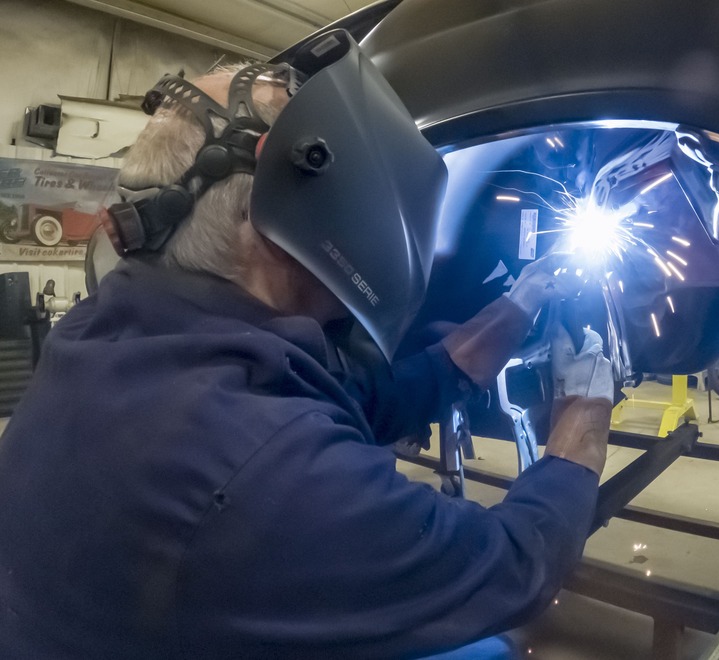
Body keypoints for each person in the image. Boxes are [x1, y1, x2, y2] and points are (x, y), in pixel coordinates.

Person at [0, 30, 612, 659]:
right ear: (304, 193)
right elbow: (512, 566)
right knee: (489, 652)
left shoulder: (103, 335)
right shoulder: (266, 475)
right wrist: (585, 415)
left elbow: (356, 401)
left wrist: (519, 306)